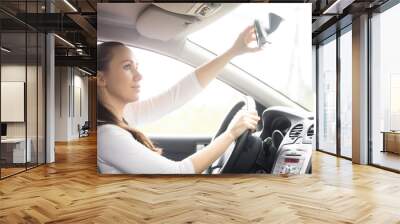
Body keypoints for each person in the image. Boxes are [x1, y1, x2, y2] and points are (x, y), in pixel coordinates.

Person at [97, 25, 262, 174]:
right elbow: (178, 173)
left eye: (136, 67)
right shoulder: (107, 135)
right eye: (127, 67)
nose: (139, 76)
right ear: (101, 79)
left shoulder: (124, 114)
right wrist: (231, 134)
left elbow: (177, 95)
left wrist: (234, 50)